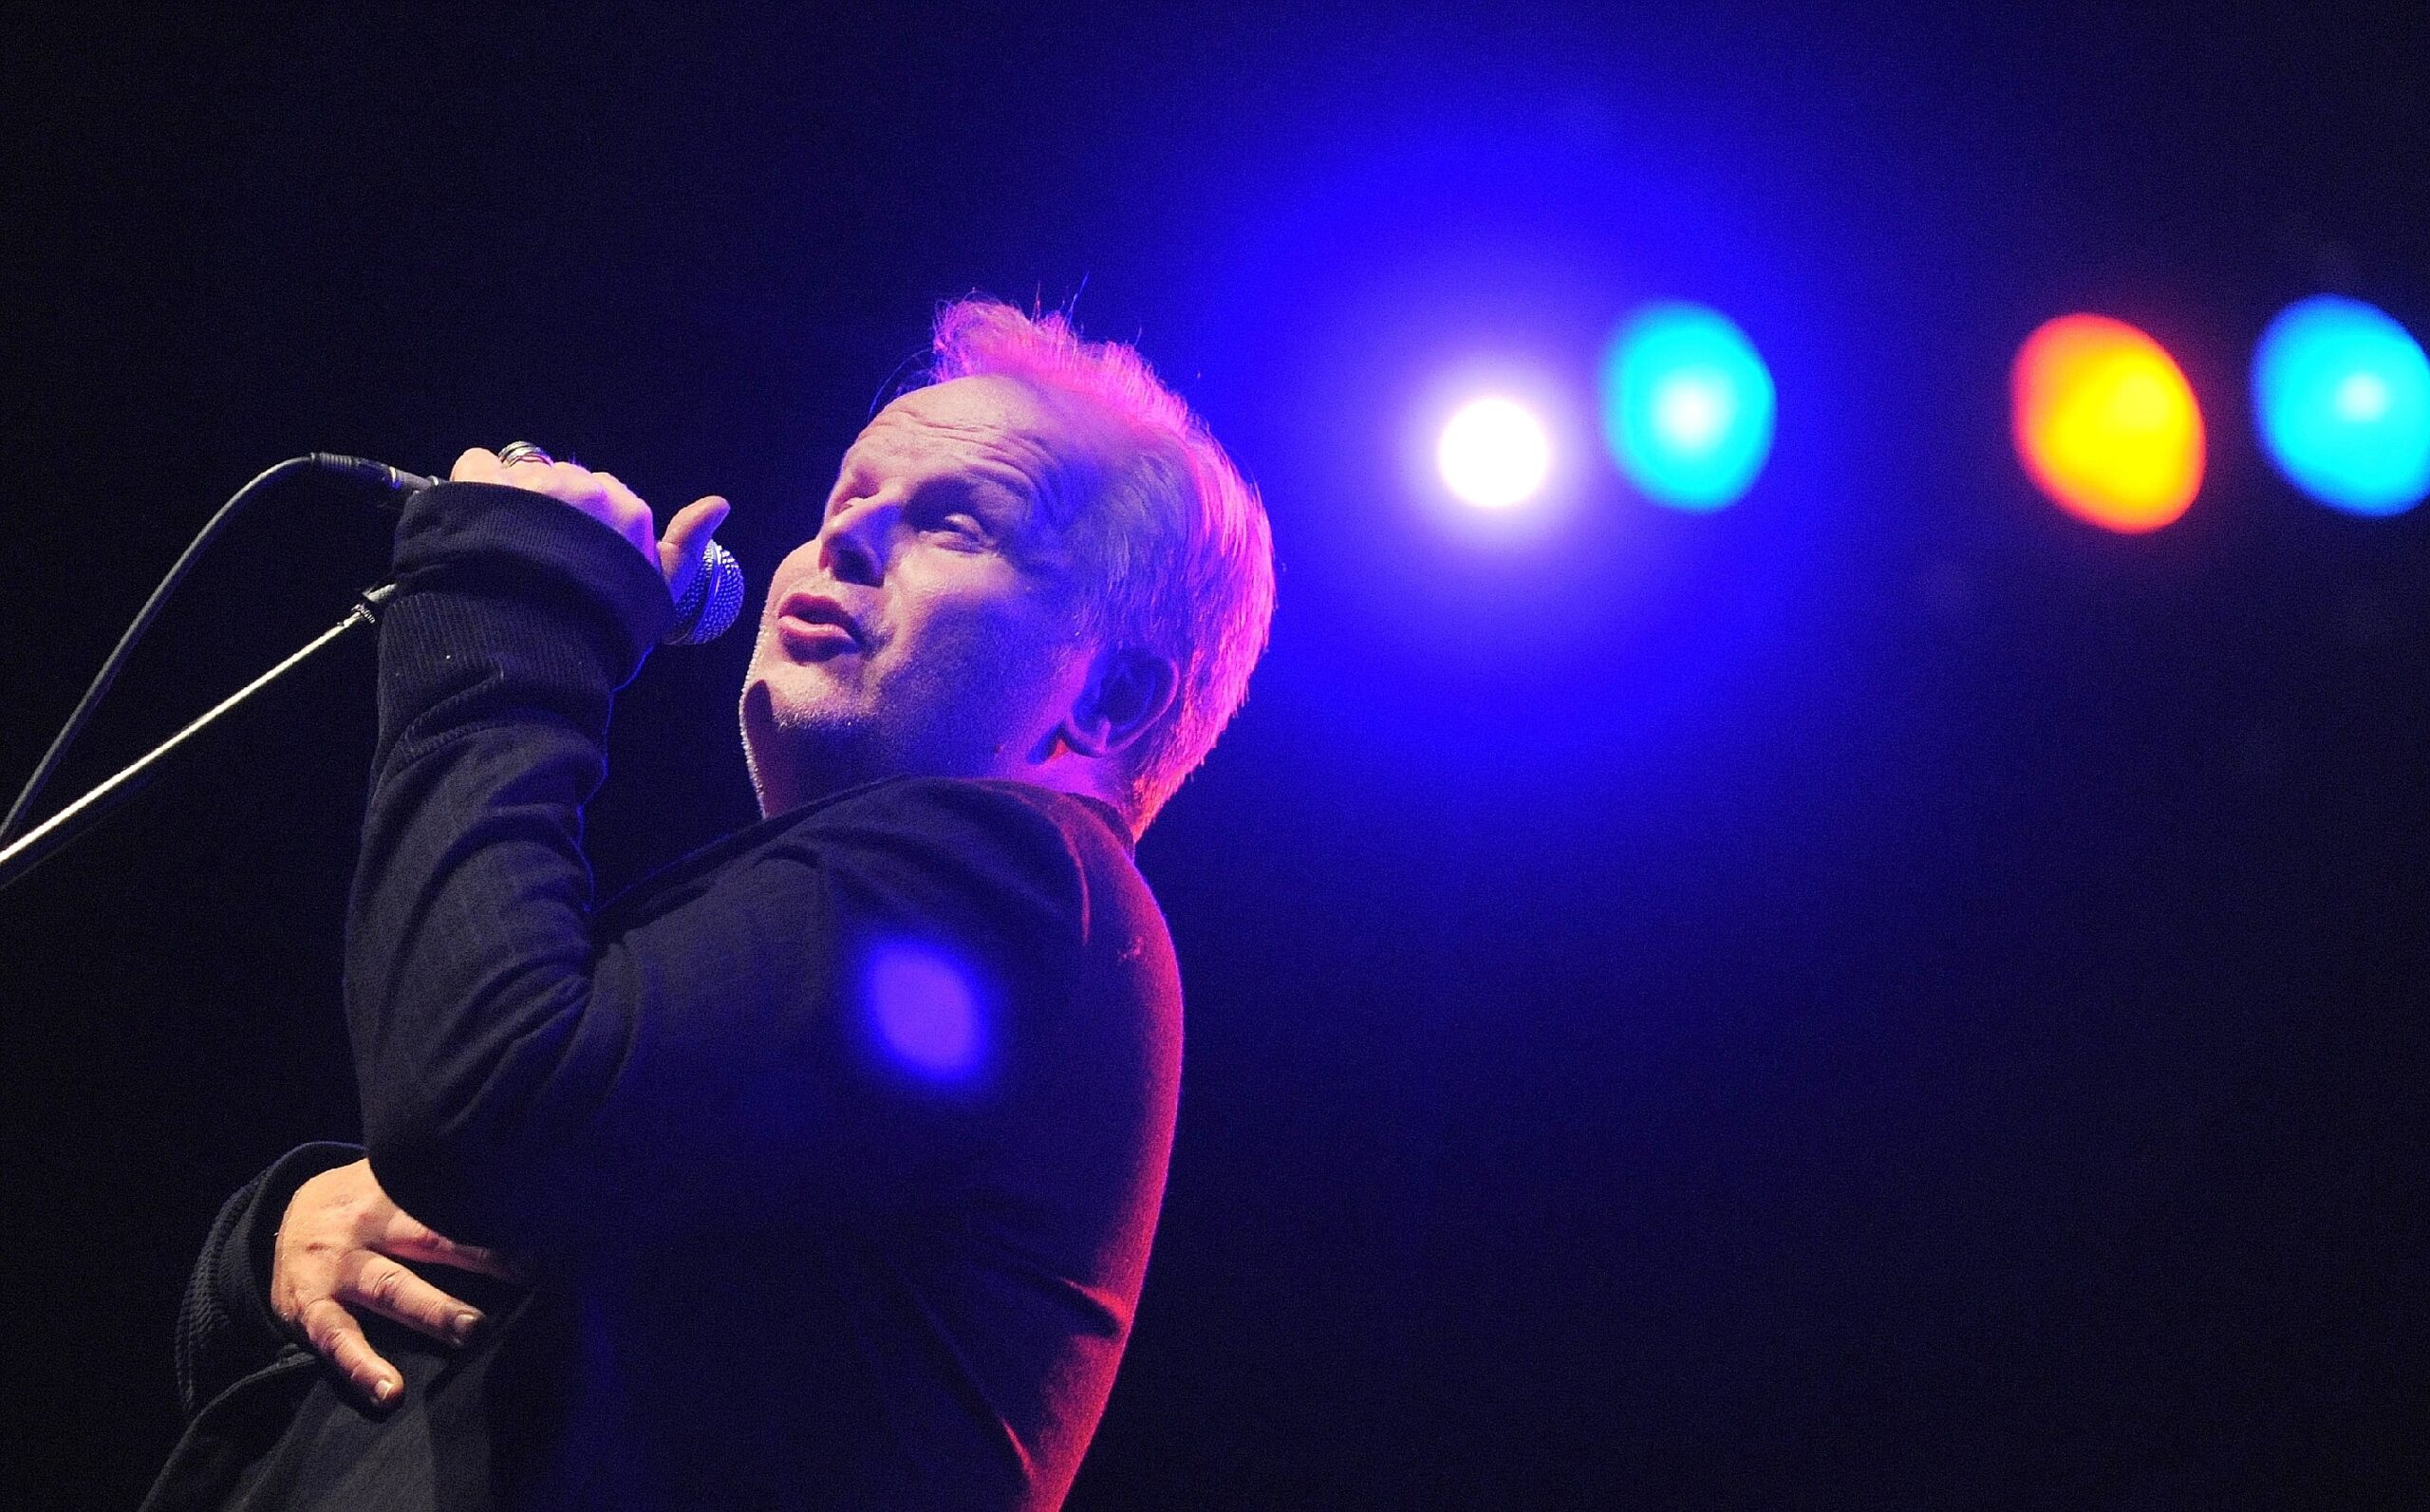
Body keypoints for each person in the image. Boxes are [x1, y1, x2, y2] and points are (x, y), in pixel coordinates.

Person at [140, 298, 1276, 1512]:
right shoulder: (844, 954)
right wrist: (279, 1240)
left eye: (956, 523)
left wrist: (507, 608)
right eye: (846, 499)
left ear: (1108, 701)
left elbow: (490, 1100)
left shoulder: (1027, 876)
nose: (845, 540)